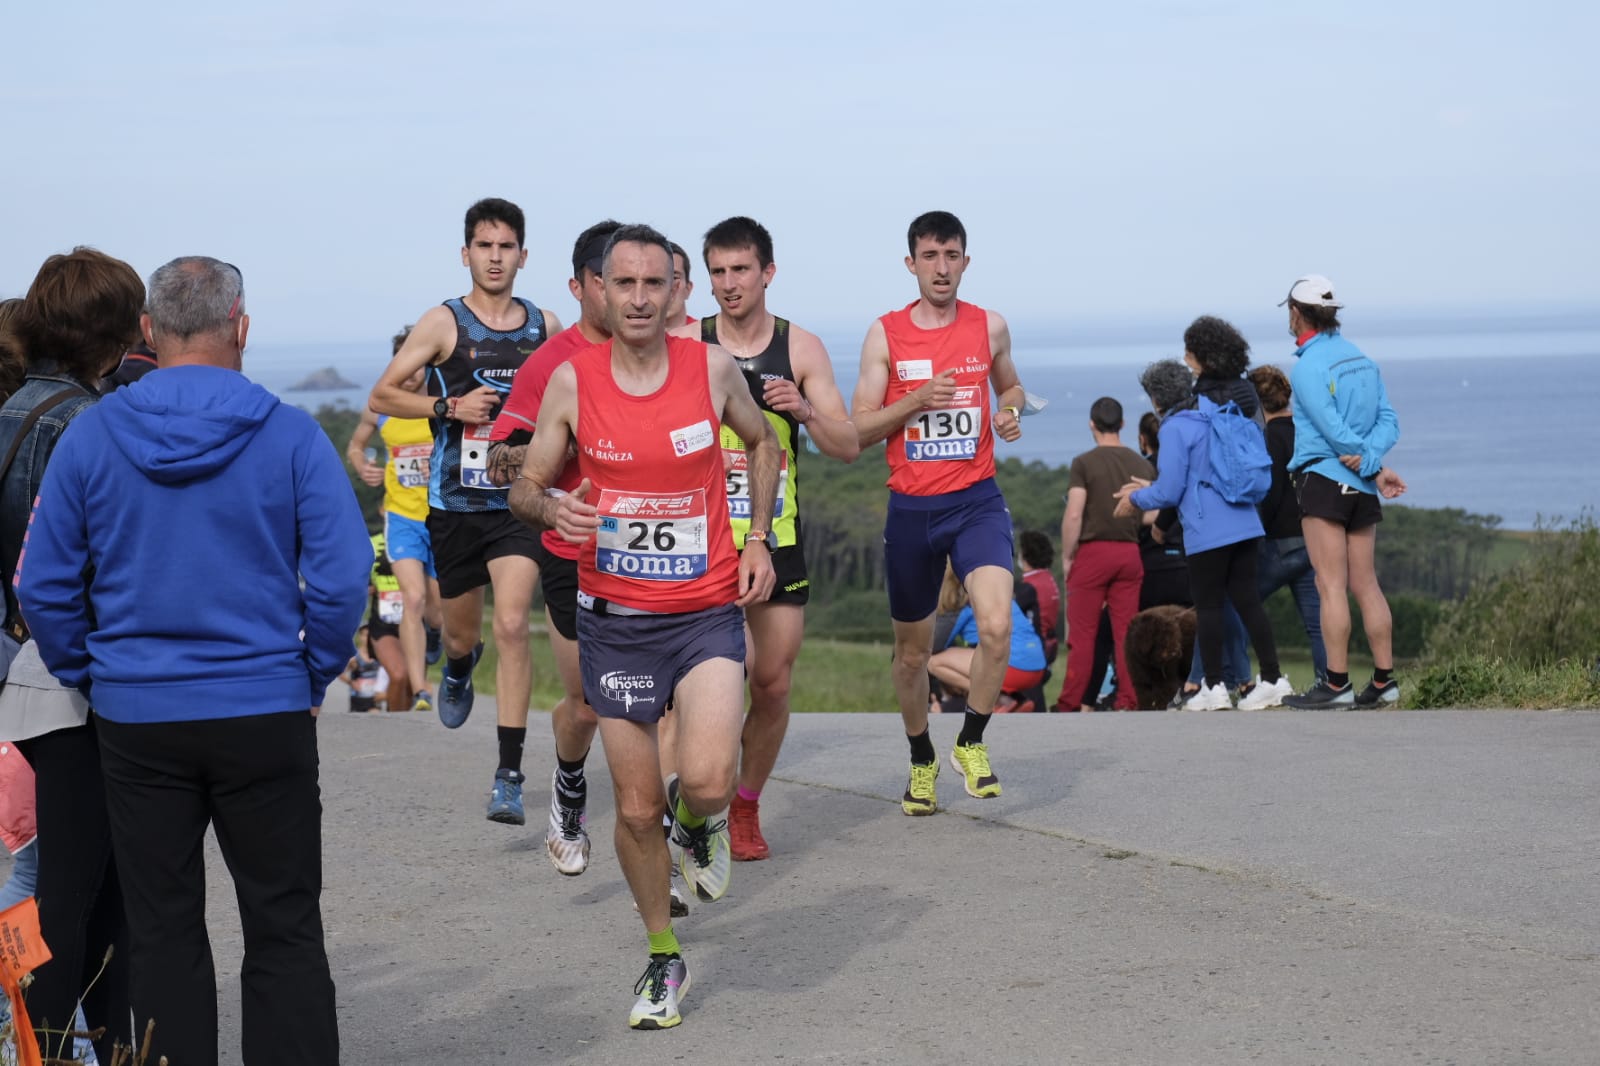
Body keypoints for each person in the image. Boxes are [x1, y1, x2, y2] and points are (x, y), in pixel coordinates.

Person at [18, 255, 371, 1066]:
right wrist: (311, 670)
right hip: (264, 710)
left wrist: (87, 670)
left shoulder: (94, 434)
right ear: (240, 327)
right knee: (284, 923)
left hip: (138, 717)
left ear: (149, 331)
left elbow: (41, 581)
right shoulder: (287, 433)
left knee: (163, 929)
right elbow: (344, 573)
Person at [508, 223, 779, 1030]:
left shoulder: (712, 367)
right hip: (616, 622)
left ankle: (699, 826)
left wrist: (757, 535)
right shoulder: (571, 381)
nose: (637, 299)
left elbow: (763, 445)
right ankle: (664, 955)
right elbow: (523, 486)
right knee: (630, 810)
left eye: (652, 284)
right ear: (597, 288)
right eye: (621, 284)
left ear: (675, 291)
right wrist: (553, 504)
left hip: (703, 612)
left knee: (703, 779)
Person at [369, 198, 561, 825]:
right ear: (467, 254)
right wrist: (449, 410)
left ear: (523, 256)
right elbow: (383, 393)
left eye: (507, 246)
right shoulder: (444, 323)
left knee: (511, 626)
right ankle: (456, 664)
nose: (496, 257)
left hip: (518, 504)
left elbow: (582, 393)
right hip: (454, 506)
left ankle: (508, 772)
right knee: (463, 632)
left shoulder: (543, 327)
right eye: (485, 246)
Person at [672, 216, 859, 861]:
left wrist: (803, 411)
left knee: (772, 682)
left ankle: (744, 807)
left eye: (741, 270)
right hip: (699, 538)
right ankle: (699, 801)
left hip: (776, 536)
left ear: (767, 273)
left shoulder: (800, 348)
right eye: (718, 272)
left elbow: (847, 444)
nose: (729, 285)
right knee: (711, 675)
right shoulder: (683, 341)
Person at [0, 247, 141, 1062]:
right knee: (87, 899)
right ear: (114, 336)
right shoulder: (91, 427)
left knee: (51, 882)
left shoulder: (11, 410)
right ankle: (60, 1049)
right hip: (79, 680)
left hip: (20, 678)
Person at [851, 210, 1026, 814]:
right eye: (930, 257)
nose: (942, 268)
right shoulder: (885, 334)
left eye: (951, 256)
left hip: (977, 500)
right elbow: (859, 427)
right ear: (911, 264)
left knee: (997, 626)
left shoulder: (990, 326)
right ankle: (921, 755)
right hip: (913, 510)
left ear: (965, 262)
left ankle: (971, 743)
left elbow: (1011, 388)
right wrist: (917, 399)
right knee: (912, 656)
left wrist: (1010, 413)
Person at [486, 219, 620, 879]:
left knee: (678, 697)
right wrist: (548, 450)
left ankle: (674, 832)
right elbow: (498, 462)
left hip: (657, 554)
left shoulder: (668, 353)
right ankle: (569, 783)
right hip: (574, 552)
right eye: (610, 281)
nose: (627, 295)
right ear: (581, 285)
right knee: (591, 702)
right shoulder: (552, 363)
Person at [1116, 320, 1294, 712]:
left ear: (1157, 399)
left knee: (1210, 607)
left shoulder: (1176, 428)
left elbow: (1170, 489)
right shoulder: (1219, 413)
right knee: (1248, 602)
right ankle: (1272, 678)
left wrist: (1136, 498)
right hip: (1247, 522)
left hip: (1209, 531)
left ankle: (1213, 687)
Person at [1276, 276, 1404, 709]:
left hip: (1324, 481)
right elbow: (1390, 420)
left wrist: (1367, 460)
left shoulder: (1307, 366)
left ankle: (1335, 685)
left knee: (1329, 585)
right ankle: (1385, 681)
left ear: (1297, 313)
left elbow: (1332, 429)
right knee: (1366, 584)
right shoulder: (1363, 360)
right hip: (1362, 487)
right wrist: (1374, 464)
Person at [347, 327, 444, 710]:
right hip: (402, 517)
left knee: (437, 611)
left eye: (420, 362)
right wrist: (361, 464)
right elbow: (356, 444)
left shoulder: (441, 403)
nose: (413, 371)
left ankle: (436, 636)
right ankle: (421, 689)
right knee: (413, 598)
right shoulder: (381, 404)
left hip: (440, 515)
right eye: (406, 360)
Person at [1053, 397, 1153, 712]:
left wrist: (1067, 556)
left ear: (1092, 424)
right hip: (1130, 552)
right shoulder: (1142, 464)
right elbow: (1154, 513)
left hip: (1093, 554)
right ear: (1122, 424)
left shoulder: (1083, 463)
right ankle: (1128, 699)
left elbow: (1074, 514)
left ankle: (1070, 702)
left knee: (1083, 634)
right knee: (1126, 631)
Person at [1247, 364, 1328, 682]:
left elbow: (1270, 492)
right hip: (1313, 539)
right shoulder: (1307, 433)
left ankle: (1236, 680)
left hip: (1279, 543)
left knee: (1239, 609)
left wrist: (1255, 536)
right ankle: (1328, 681)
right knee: (1318, 624)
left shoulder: (1268, 439)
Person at [929, 567, 1048, 711]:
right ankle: (1016, 700)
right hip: (1038, 666)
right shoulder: (1000, 595)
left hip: (1013, 669)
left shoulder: (962, 605)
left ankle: (996, 699)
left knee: (933, 661)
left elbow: (932, 646)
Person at [1017, 530, 1061, 662]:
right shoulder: (1049, 580)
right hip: (1049, 646)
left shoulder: (1029, 586)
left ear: (1025, 555)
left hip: (1032, 649)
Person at [665, 241, 697, 329]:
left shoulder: (710, 338)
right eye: (655, 280)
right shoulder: (626, 339)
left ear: (688, 289)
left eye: (674, 278)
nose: (667, 288)